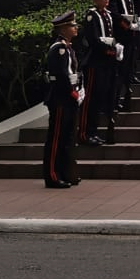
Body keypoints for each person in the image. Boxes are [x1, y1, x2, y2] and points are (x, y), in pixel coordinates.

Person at [43, 10, 83, 189]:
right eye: (72, 26)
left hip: (69, 98)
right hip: (60, 99)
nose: (75, 28)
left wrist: (78, 90)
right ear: (64, 28)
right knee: (56, 138)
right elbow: (60, 76)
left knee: (67, 137)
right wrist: (72, 92)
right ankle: (52, 175)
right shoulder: (58, 49)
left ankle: (65, 172)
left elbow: (72, 73)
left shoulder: (67, 47)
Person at [77, 0, 120, 147]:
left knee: (100, 98)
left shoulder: (107, 15)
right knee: (90, 99)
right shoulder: (91, 16)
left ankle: (93, 132)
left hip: (106, 62)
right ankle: (84, 133)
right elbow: (94, 40)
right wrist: (110, 49)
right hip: (95, 62)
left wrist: (115, 48)